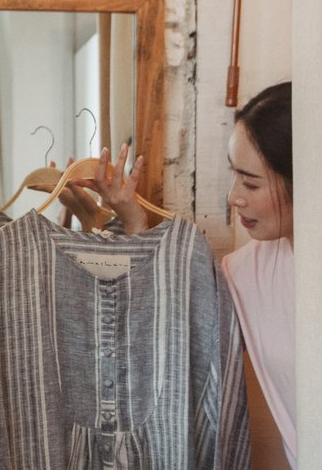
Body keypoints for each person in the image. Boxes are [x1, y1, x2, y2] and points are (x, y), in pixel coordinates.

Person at [84, 82, 295, 466]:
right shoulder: (243, 274)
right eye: (235, 177)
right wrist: (133, 221)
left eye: (250, 182)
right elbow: (169, 340)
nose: (234, 197)